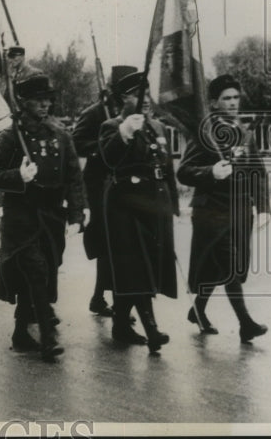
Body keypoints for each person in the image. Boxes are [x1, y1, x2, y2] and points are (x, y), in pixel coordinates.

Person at [0, 74, 86, 361]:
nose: (44, 105)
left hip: (52, 215)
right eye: (37, 100)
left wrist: (78, 214)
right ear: (24, 103)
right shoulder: (11, 136)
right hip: (23, 216)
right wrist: (18, 176)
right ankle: (47, 336)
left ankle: (21, 332)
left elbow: (74, 177)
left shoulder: (60, 134)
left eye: (47, 99)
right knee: (36, 271)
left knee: (45, 272)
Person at [177, 74, 270, 343]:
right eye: (226, 99)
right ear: (215, 103)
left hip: (240, 212)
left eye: (235, 98)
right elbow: (184, 171)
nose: (232, 103)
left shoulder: (244, 133)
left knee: (222, 268)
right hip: (212, 212)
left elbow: (258, 174)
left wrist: (263, 208)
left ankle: (198, 310)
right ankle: (246, 324)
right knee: (228, 267)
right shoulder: (205, 133)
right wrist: (211, 172)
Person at [98, 71, 179, 353]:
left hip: (155, 204)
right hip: (125, 205)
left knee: (144, 267)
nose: (146, 100)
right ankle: (152, 330)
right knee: (137, 268)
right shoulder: (113, 125)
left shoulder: (156, 126)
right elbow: (108, 160)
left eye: (147, 92)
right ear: (124, 98)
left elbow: (165, 166)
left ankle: (121, 325)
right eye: (138, 94)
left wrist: (174, 202)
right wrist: (124, 134)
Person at [72, 65, 138, 318]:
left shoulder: (131, 113)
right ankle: (103, 297)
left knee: (119, 243)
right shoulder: (95, 112)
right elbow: (77, 142)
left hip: (122, 182)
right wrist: (104, 146)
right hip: (99, 183)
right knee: (106, 243)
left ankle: (104, 297)